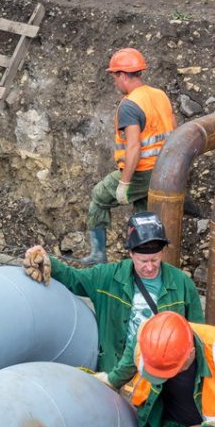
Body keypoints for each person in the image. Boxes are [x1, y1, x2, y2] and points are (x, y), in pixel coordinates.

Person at [22, 211, 203, 384]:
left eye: (154, 260)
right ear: (131, 253)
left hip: (164, 381)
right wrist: (46, 259)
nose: (149, 267)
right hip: (116, 376)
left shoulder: (182, 284)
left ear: (162, 252)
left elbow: (198, 333)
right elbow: (73, 278)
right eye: (143, 261)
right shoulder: (108, 277)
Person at [80, 48, 177, 265]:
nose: (115, 82)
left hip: (141, 171)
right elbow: (174, 130)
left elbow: (134, 148)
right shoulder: (159, 95)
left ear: (123, 75)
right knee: (143, 215)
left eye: (115, 76)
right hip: (163, 169)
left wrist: (124, 183)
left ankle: (98, 255)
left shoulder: (130, 105)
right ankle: (144, 261)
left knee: (99, 197)